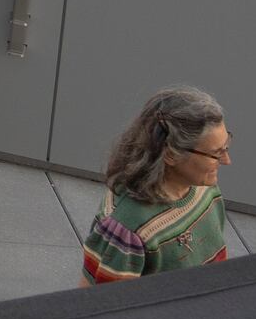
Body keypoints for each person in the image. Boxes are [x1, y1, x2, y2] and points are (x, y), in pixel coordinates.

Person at [81, 87, 234, 284]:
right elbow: (105, 305)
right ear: (171, 154)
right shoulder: (129, 229)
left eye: (226, 147)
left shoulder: (205, 189)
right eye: (215, 154)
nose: (227, 160)